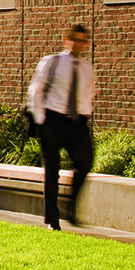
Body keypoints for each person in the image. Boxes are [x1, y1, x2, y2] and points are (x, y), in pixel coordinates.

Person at [26, 24, 96, 231]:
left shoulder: (86, 67)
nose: (79, 44)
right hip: (52, 121)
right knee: (52, 171)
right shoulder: (52, 62)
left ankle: (71, 203)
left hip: (77, 123)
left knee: (85, 163)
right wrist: (40, 120)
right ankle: (52, 220)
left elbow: (88, 93)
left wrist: (85, 116)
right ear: (67, 40)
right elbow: (36, 89)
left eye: (83, 41)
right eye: (76, 39)